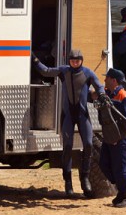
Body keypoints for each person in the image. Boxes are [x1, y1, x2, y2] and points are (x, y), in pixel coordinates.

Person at [32, 49, 105, 198]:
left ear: (82, 61)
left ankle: (85, 178)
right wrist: (34, 59)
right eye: (72, 61)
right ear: (69, 61)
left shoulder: (88, 73)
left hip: (83, 115)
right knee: (67, 146)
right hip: (67, 116)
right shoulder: (64, 71)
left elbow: (99, 86)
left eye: (77, 61)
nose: (75, 63)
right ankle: (68, 182)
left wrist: (102, 94)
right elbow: (46, 71)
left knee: (89, 144)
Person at [94, 68, 126, 208]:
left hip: (120, 139)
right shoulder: (108, 94)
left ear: (114, 80)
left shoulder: (124, 97)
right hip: (109, 136)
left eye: (107, 78)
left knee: (120, 168)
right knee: (104, 163)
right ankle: (121, 192)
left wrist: (119, 138)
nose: (104, 80)